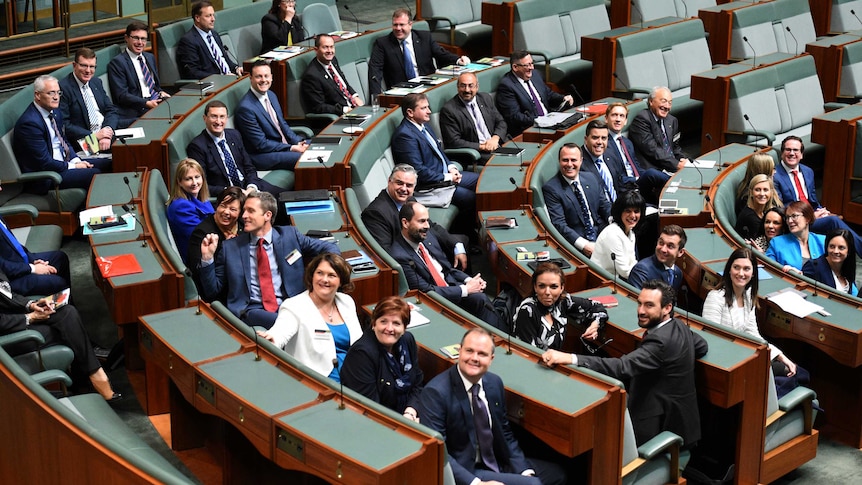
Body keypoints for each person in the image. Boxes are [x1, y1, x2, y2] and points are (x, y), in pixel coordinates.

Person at [542, 281, 708, 448]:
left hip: (658, 428)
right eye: (640, 303)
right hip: (683, 419)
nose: (641, 311)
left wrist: (571, 358)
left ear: (667, 308)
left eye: (649, 305)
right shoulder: (679, 325)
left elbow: (622, 367)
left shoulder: (660, 341)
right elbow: (702, 346)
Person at [419, 328, 567, 485]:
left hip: (498, 461)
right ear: (459, 351)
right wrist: (476, 483)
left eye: (482, 354)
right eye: (469, 351)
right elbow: (439, 454)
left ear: (491, 359)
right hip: (468, 471)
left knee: (557, 475)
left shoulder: (494, 383)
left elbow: (505, 433)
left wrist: (524, 471)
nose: (474, 358)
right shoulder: (436, 393)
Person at [198, 191, 338, 328]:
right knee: (293, 324)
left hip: (292, 304)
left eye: (250, 211)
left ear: (267, 215)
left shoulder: (290, 235)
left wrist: (328, 269)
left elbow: (329, 247)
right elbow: (212, 291)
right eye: (244, 210)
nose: (244, 216)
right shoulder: (230, 247)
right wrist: (207, 258)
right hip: (252, 309)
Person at [0, 269, 120, 402]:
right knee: (69, 331)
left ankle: (86, 381)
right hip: (7, 338)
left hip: (12, 318)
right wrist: (30, 317)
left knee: (67, 312)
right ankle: (93, 377)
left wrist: (32, 304)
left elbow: (5, 293)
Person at [390, 201, 502, 330]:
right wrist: (466, 289)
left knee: (481, 301)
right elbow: (426, 291)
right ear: (405, 223)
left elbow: (447, 270)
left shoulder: (427, 237)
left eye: (427, 220)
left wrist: (469, 280)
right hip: (436, 303)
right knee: (481, 300)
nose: (427, 226)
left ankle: (505, 337)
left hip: (450, 288)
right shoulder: (399, 255)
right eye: (421, 221)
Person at [703, 248, 807, 385]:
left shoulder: (748, 297)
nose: (741, 273)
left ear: (753, 273)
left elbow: (753, 335)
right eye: (736, 268)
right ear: (729, 270)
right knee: (783, 380)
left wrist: (780, 356)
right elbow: (712, 338)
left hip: (747, 356)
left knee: (801, 373)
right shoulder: (716, 297)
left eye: (746, 269)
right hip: (728, 362)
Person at [259, 253, 361, 381]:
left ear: (341, 281)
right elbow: (280, 332)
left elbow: (358, 341)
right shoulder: (295, 306)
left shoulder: (346, 301)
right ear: (312, 276)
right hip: (320, 380)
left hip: (355, 372)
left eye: (331, 275)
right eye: (320, 273)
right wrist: (271, 339)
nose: (324, 279)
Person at [391, 93, 478, 237]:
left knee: (479, 181)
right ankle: (464, 236)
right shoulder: (405, 136)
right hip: (429, 187)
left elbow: (439, 151)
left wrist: (451, 167)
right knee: (469, 198)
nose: (429, 111)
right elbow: (418, 172)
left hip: (443, 176)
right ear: (410, 112)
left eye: (428, 107)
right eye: (424, 108)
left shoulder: (424, 125)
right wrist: (447, 177)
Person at [13, 75, 108, 193]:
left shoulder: (55, 111)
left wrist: (76, 160)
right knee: (94, 174)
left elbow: (63, 140)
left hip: (64, 162)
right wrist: (73, 166)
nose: (56, 97)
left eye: (58, 93)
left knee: (108, 164)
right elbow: (45, 162)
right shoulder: (29, 124)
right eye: (51, 93)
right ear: (38, 95)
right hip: (47, 176)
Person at [361, 164, 468, 268]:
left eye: (409, 185)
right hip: (411, 264)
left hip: (423, 248)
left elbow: (430, 225)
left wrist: (456, 245)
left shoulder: (409, 199)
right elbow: (386, 255)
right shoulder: (375, 213)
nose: (403, 189)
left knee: (461, 243)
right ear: (389, 181)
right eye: (399, 183)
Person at [772, 135, 862, 255]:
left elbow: (812, 200)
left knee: (833, 220)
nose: (792, 153)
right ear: (782, 153)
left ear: (801, 154)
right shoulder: (775, 176)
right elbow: (780, 208)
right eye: (788, 150)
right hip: (795, 221)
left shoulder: (808, 171)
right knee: (833, 222)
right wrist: (811, 216)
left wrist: (821, 211)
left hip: (812, 214)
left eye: (796, 150)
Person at [341, 296, 423, 419]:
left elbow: (417, 382)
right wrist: (404, 422)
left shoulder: (407, 340)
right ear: (374, 323)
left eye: (396, 323)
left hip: (410, 414)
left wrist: (410, 412)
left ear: (404, 328)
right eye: (383, 321)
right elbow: (370, 408)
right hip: (377, 421)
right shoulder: (362, 354)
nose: (389, 329)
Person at [187, 100, 288, 197]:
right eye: (214, 117)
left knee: (286, 198)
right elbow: (202, 185)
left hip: (249, 186)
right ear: (205, 118)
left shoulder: (234, 135)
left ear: (226, 118)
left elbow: (249, 167)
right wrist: (232, 191)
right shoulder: (197, 147)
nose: (218, 121)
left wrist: (251, 187)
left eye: (222, 117)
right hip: (229, 195)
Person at [368, 8, 469, 95]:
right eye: (395, 25)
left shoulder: (424, 37)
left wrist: (458, 60)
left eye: (401, 25)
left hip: (427, 86)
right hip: (402, 90)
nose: (398, 28)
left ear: (410, 25)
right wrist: (376, 97)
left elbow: (441, 54)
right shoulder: (383, 44)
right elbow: (375, 70)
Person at [512, 262, 608, 350]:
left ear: (562, 287)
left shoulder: (562, 301)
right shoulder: (527, 311)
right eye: (542, 286)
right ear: (535, 287)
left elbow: (596, 306)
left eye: (553, 287)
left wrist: (595, 325)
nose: (547, 292)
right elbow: (529, 354)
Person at [235, 61, 308, 171]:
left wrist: (297, 142)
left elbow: (282, 124)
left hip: (281, 146)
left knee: (316, 145)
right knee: (306, 158)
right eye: (258, 76)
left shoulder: (271, 95)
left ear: (271, 77)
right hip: (263, 155)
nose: (263, 80)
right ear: (251, 78)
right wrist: (292, 147)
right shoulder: (245, 108)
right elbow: (261, 144)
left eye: (266, 76)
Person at [542, 143, 611, 256]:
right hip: (578, 242)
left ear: (581, 161)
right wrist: (584, 245)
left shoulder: (591, 177)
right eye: (565, 160)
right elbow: (559, 224)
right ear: (559, 161)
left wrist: (615, 221)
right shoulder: (551, 188)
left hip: (601, 232)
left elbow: (604, 205)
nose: (569, 164)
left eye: (573, 160)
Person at [495, 50, 573, 138]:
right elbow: (514, 117)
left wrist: (563, 98)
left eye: (532, 63)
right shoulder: (507, 86)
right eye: (527, 65)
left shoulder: (535, 74)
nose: (531, 67)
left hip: (549, 121)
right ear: (515, 67)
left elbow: (548, 94)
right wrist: (540, 120)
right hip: (529, 129)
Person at [604, 102, 669, 204]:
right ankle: (675, 182)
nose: (618, 119)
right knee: (651, 173)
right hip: (626, 188)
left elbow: (637, 167)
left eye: (621, 116)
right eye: (614, 115)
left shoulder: (627, 142)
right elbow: (615, 177)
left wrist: (642, 177)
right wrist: (638, 178)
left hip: (638, 185)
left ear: (625, 121)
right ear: (606, 118)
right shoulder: (604, 144)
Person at [58, 47, 122, 153]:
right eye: (84, 65)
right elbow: (64, 124)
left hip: (106, 134)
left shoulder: (96, 82)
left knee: (137, 144)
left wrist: (107, 132)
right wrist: (95, 136)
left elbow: (111, 110)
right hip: (84, 141)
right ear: (74, 65)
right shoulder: (64, 88)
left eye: (92, 67)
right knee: (123, 155)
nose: (88, 71)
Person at [188, 187, 245, 300]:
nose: (226, 212)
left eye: (233, 209)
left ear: (240, 213)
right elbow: (198, 273)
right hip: (222, 292)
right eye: (223, 206)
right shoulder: (202, 233)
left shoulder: (244, 226)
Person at [0, 206, 70, 297]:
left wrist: (32, 260)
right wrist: (32, 268)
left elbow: (13, 243)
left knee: (60, 258)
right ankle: (67, 310)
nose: (1, 190)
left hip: (17, 262)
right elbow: (2, 267)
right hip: (8, 281)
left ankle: (69, 303)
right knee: (58, 283)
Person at [107, 21, 170, 122]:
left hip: (155, 101)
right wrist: (146, 103)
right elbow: (121, 95)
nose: (140, 42)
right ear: (126, 38)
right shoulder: (118, 63)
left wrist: (160, 92)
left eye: (143, 39)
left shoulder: (150, 57)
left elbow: (154, 85)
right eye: (136, 38)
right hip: (137, 109)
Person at [439, 72, 507, 163]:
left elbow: (501, 122)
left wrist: (495, 138)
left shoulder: (485, 98)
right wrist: (482, 146)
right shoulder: (449, 110)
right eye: (463, 86)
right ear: (457, 87)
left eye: (471, 86)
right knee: (507, 164)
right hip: (478, 154)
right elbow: (454, 142)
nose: (467, 90)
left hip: (496, 145)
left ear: (477, 87)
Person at [300, 34, 364, 116]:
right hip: (339, 116)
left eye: (332, 47)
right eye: (325, 47)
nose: (330, 51)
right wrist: (344, 110)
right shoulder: (312, 75)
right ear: (316, 50)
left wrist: (355, 96)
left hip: (354, 108)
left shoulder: (333, 60)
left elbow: (343, 83)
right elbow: (318, 107)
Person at [629, 86, 689, 173]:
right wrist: (676, 165)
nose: (667, 106)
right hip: (654, 169)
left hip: (670, 165)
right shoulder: (642, 120)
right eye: (663, 101)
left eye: (670, 103)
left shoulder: (672, 120)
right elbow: (652, 150)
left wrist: (682, 160)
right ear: (651, 101)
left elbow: (675, 147)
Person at [177, 1, 243, 79]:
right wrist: (222, 77)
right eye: (208, 16)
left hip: (231, 78)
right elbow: (193, 72)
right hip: (215, 84)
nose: (213, 19)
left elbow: (225, 60)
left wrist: (236, 68)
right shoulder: (188, 41)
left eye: (213, 15)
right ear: (197, 18)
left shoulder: (214, 35)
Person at [166, 158, 213, 264]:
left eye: (197, 177)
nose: (194, 183)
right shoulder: (181, 207)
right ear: (179, 182)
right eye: (188, 179)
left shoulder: (200, 197)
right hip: (199, 257)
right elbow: (201, 237)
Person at [592, 189, 646, 280]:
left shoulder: (630, 232)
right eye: (628, 211)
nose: (633, 216)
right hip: (601, 281)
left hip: (617, 279)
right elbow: (624, 271)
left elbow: (632, 262)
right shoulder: (612, 234)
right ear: (619, 212)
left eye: (636, 211)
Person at [766, 201, 825, 273]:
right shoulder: (776, 243)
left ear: (807, 218)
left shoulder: (823, 241)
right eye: (787, 217)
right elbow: (769, 271)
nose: (790, 221)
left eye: (794, 216)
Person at [628, 224, 686, 292]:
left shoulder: (678, 273)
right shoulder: (642, 270)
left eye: (670, 246)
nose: (663, 249)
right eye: (661, 243)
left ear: (681, 252)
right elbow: (636, 300)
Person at [579, 119, 626, 204]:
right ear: (586, 139)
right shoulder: (579, 164)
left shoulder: (610, 154)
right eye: (595, 138)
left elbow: (620, 184)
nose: (600, 142)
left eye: (603, 138)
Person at [803, 229, 859, 295]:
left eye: (841, 248)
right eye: (832, 246)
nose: (835, 251)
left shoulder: (848, 269)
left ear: (849, 251)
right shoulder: (814, 266)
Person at [736, 173, 782, 240]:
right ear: (751, 192)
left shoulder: (765, 211)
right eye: (757, 190)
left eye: (765, 190)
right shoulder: (749, 217)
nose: (762, 194)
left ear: (771, 192)